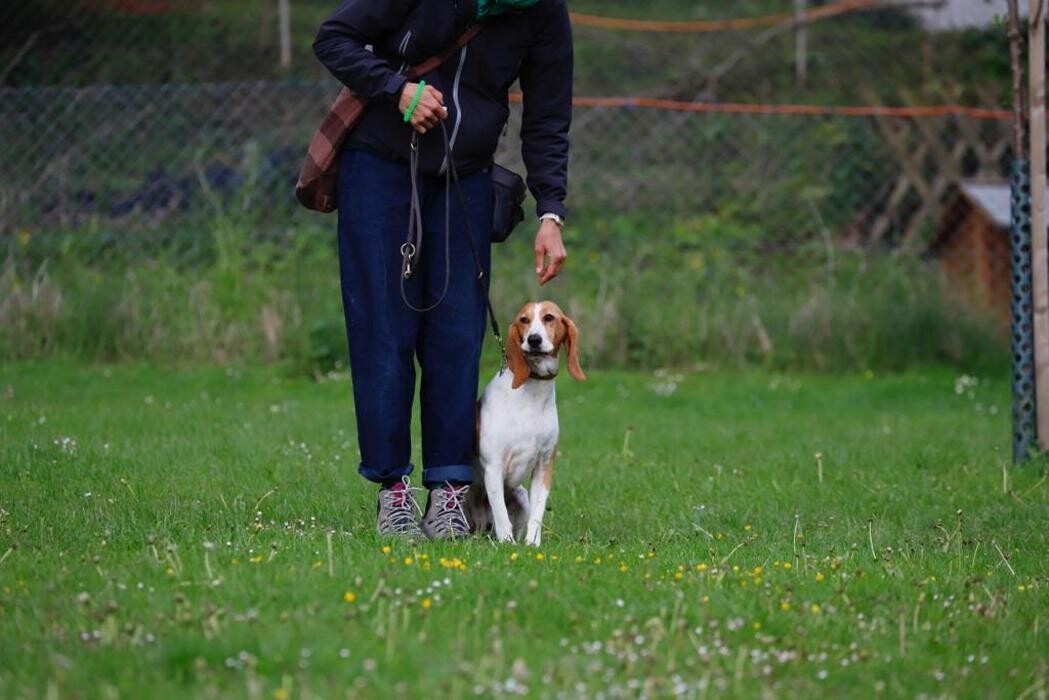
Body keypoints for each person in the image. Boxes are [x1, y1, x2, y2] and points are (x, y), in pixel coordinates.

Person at [313, 0, 573, 538]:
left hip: (467, 177)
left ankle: (450, 495)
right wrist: (396, 89)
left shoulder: (544, 10)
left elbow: (548, 113)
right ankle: (394, 494)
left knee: (457, 335)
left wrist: (551, 210)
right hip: (379, 167)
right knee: (384, 333)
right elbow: (333, 37)